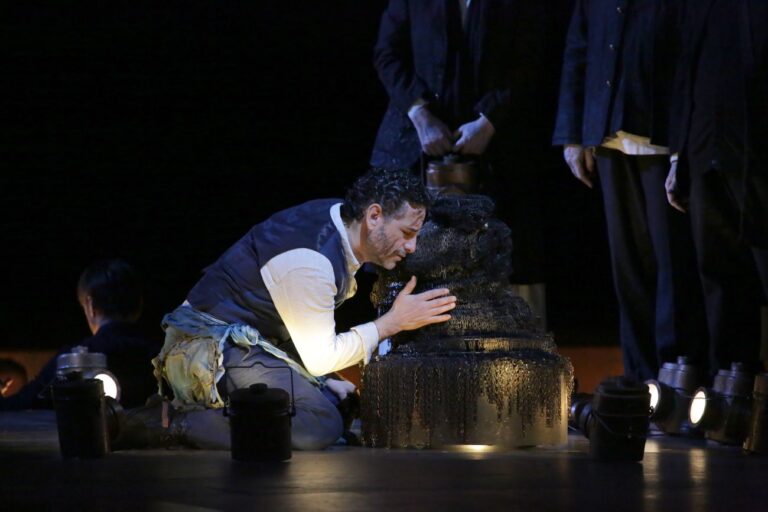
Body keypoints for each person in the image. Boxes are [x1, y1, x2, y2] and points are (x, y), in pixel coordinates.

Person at [152, 169, 457, 450]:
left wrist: (323, 380)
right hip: (208, 347)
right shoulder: (311, 261)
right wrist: (392, 323)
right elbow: (320, 358)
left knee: (334, 395)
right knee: (319, 423)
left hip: (254, 341)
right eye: (407, 233)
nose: (412, 247)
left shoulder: (338, 222)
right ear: (374, 215)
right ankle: (168, 425)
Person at [553, 0, 706, 382]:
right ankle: (641, 375)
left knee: (671, 263)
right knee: (629, 267)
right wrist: (573, 135)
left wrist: (681, 147)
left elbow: (689, 57)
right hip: (608, 137)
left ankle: (677, 373)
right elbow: (579, 50)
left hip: (660, 137)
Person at [369, 0, 548, 326]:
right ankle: (397, 357)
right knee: (401, 243)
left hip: (500, 139)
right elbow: (387, 53)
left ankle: (527, 358)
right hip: (415, 138)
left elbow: (533, 57)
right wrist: (419, 112)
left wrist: (490, 119)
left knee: (514, 247)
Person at [665, 0, 768, 378]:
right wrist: (678, 158)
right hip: (706, 149)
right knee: (718, 275)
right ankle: (732, 387)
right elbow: (684, 74)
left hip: (756, 156)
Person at [0, 259, 159, 410]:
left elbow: (21, 405)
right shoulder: (164, 357)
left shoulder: (72, 360)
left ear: (90, 305)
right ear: (139, 304)